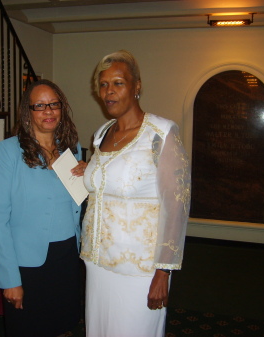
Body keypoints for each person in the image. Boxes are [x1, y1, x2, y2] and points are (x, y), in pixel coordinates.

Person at [80, 50, 191, 337]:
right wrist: (88, 170)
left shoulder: (161, 133)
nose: (109, 92)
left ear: (137, 86)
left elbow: (176, 206)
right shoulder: (101, 134)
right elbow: (106, 182)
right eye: (103, 84)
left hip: (139, 269)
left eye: (118, 83)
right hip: (97, 262)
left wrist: (163, 271)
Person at [0, 79, 87, 337]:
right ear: (27, 112)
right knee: (28, 328)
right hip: (27, 264)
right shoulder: (7, 152)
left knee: (62, 324)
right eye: (40, 105)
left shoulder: (71, 149)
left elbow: (78, 201)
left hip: (66, 255)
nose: (48, 111)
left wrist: (91, 175)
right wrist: (10, 279)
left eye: (54, 104)